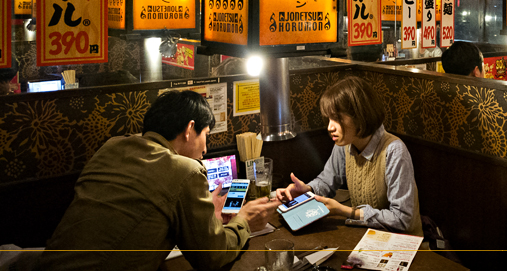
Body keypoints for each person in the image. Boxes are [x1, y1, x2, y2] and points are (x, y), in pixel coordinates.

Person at [39, 90, 279, 271]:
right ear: (190, 129)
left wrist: (203, 215)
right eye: (206, 135)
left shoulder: (111, 147)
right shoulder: (185, 170)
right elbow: (212, 256)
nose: (205, 149)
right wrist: (243, 221)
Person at [276, 76, 423, 236]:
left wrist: (346, 211)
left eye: (336, 118)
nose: (330, 127)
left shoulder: (394, 151)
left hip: (403, 243)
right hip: (368, 237)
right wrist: (306, 190)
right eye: (329, 118)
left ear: (360, 116)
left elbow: (403, 220)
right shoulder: (345, 144)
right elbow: (326, 181)